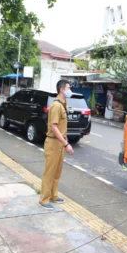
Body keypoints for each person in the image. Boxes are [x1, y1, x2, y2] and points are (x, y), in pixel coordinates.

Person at [39, 80, 75, 211]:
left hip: (59, 143)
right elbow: (53, 127)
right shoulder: (56, 105)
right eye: (68, 88)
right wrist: (66, 144)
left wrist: (65, 142)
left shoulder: (64, 103)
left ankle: (53, 195)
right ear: (61, 89)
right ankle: (44, 199)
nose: (69, 90)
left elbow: (61, 126)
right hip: (53, 143)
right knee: (49, 172)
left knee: (57, 172)